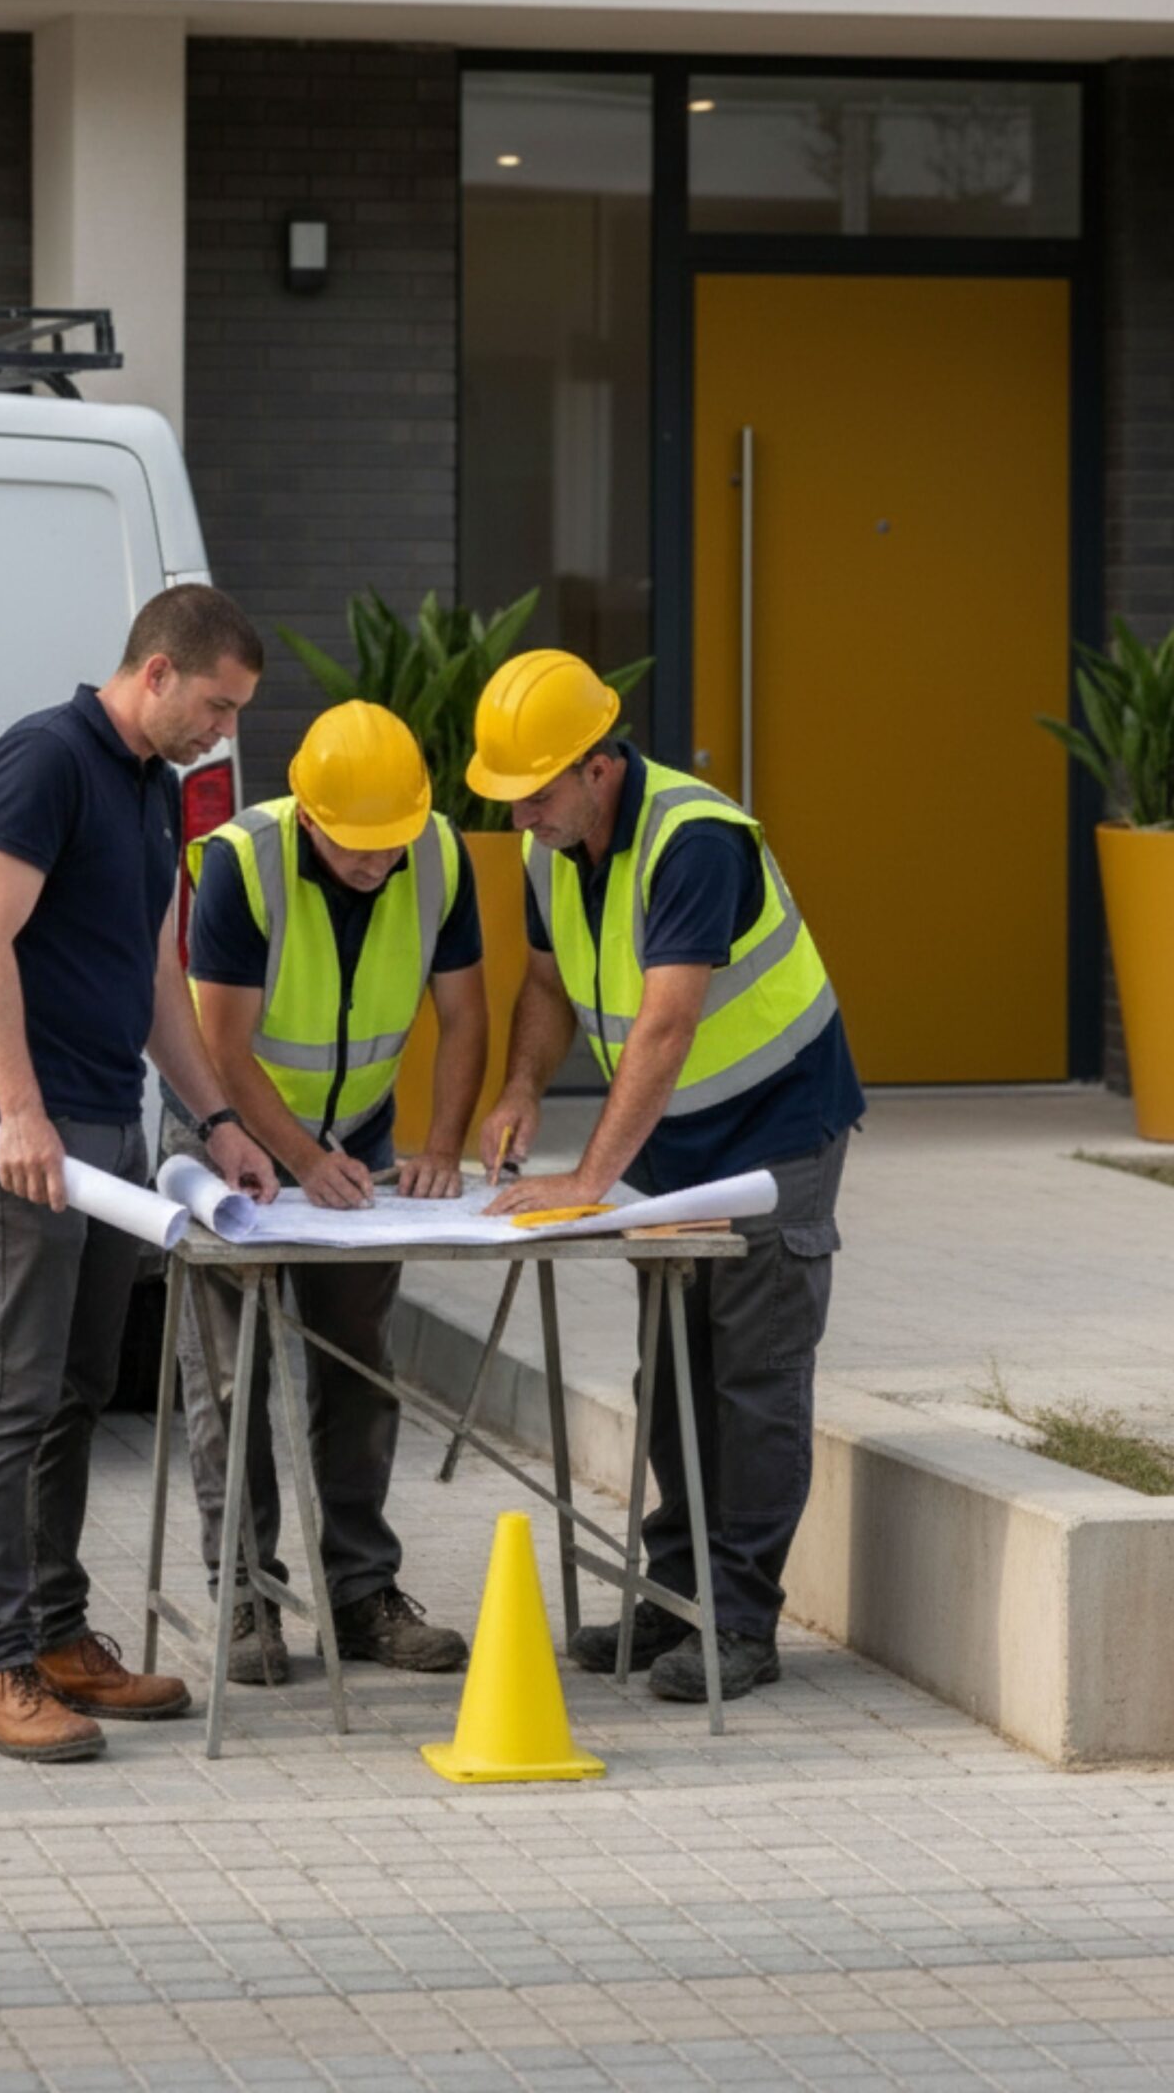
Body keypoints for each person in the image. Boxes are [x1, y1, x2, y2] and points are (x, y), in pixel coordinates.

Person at [467, 649, 863, 1705]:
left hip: (777, 1136)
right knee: (672, 1372)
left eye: (535, 794)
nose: (520, 820)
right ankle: (676, 1596)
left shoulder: (694, 840)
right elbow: (548, 983)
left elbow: (669, 1021)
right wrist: (517, 1091)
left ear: (599, 765)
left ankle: (739, 1624)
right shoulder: (551, 846)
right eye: (506, 801)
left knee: (753, 1378)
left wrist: (588, 1177)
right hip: (673, 1146)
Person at [0, 585, 279, 1763]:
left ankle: (57, 1633)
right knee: (13, 1389)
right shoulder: (46, 759)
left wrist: (218, 1117)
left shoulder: (156, 786)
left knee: (80, 1387)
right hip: (23, 1132)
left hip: (108, 1128)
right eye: (217, 706)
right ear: (157, 673)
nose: (222, 733)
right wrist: (18, 1113)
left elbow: (151, 977)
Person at [168, 698, 485, 1683]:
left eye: (392, 842)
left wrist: (440, 1141)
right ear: (307, 815)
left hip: (361, 1149)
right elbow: (218, 1046)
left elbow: (467, 1011)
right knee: (231, 1376)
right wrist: (300, 1158)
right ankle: (247, 1600)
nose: (379, 862)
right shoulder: (241, 864)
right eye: (358, 846)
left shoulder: (435, 854)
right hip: (229, 1142)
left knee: (359, 1367)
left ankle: (360, 1597)